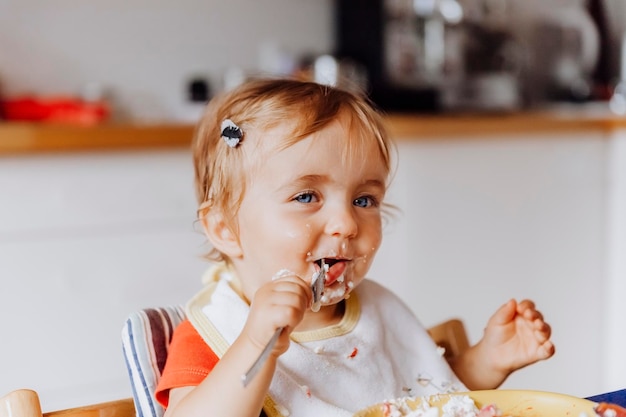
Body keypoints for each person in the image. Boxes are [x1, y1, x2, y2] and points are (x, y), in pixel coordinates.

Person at [154, 78, 555, 417]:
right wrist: (254, 345)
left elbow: (423, 399)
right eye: (306, 196)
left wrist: (486, 362)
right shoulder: (215, 332)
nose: (346, 223)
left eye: (364, 200)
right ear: (225, 229)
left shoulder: (376, 311)